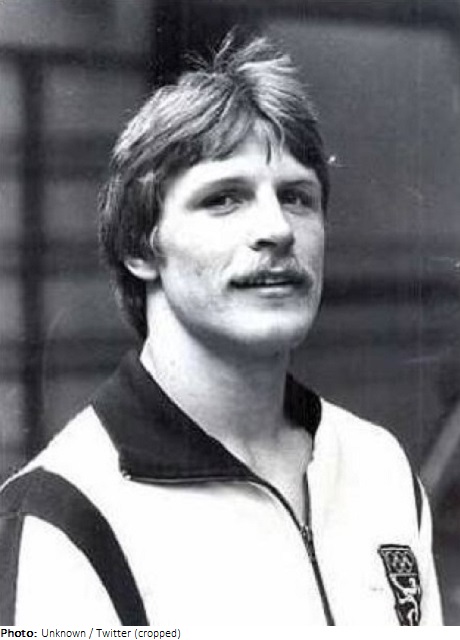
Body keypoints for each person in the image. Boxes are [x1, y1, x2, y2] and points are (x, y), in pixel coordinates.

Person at [0, 33, 442, 627]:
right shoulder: (64, 514)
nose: (277, 229)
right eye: (224, 199)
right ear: (140, 248)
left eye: (297, 197)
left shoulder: (378, 464)